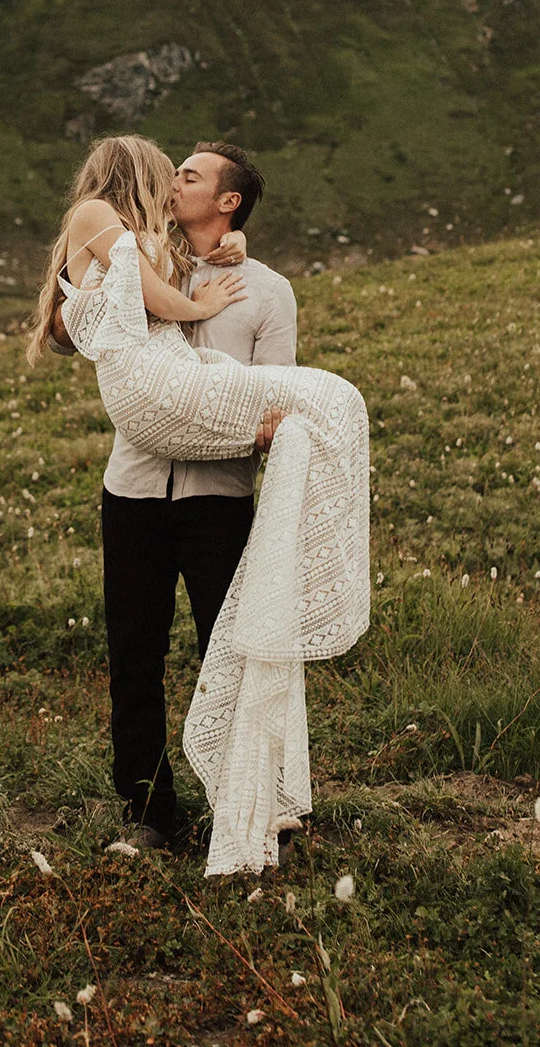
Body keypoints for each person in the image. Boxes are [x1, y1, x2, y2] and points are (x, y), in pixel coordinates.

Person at [27, 135, 370, 876]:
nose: (170, 185)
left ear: (227, 203)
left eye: (189, 177)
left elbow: (272, 409)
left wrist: (256, 430)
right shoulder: (145, 259)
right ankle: (148, 814)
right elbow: (64, 331)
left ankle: (262, 808)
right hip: (134, 494)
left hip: (219, 504)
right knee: (134, 659)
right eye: (171, 174)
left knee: (251, 651)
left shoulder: (267, 292)